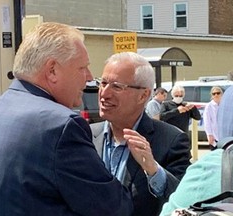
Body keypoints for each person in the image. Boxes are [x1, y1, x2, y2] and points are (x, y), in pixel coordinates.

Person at [0, 22, 133, 215]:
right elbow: (112, 208)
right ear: (52, 71)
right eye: (82, 68)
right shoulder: (61, 126)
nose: (90, 77)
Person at [90, 52, 192, 216]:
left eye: (116, 86)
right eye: (102, 83)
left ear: (143, 95)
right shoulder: (85, 135)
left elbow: (183, 201)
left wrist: (153, 170)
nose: (104, 93)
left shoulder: (171, 140)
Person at [160, 85, 233, 216]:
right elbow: (161, 117)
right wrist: (177, 111)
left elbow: (197, 117)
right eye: (177, 94)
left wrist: (191, 108)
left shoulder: (210, 166)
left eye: (181, 94)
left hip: (182, 140)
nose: (179, 96)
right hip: (170, 141)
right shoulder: (167, 105)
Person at [203, 86, 223, 150]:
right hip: (214, 136)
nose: (216, 95)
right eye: (214, 94)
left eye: (218, 93)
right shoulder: (209, 106)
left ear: (221, 94)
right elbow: (207, 122)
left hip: (225, 136)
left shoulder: (225, 104)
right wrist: (209, 134)